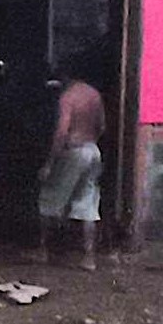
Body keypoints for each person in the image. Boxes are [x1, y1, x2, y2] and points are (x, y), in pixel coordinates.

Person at [33, 75, 105, 271]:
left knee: (48, 200)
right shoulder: (94, 94)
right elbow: (102, 126)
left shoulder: (68, 97)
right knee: (88, 205)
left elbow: (62, 132)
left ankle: (43, 250)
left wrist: (50, 163)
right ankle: (89, 258)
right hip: (92, 150)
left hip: (73, 151)